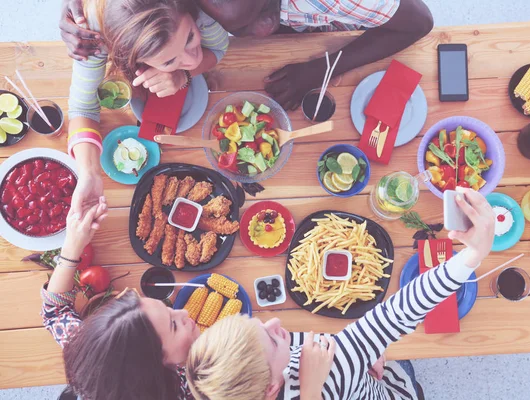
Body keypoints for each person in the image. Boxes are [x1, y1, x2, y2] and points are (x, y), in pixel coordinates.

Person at [185, 187, 495, 400]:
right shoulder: (334, 367)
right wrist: (473, 255)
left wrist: (361, 355)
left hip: (358, 374)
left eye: (256, 324)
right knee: (405, 377)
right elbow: (398, 312)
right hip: (385, 389)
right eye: (271, 338)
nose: (275, 323)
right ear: (270, 388)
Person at [43, 197, 334, 400]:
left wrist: (73, 245)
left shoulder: (99, 349)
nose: (183, 313)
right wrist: (310, 390)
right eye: (174, 325)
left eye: (167, 310)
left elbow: (55, 312)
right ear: (156, 366)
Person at [61, 0, 433, 110]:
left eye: (261, 13)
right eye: (217, 21)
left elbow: (420, 22)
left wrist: (320, 69)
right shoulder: (186, 17)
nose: (258, 33)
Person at [62, 0, 229, 219]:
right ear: (127, 59)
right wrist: (89, 174)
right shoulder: (94, 34)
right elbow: (82, 108)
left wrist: (183, 75)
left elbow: (218, 47)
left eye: (189, 37)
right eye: (169, 61)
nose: (192, 58)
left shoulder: (197, 11)